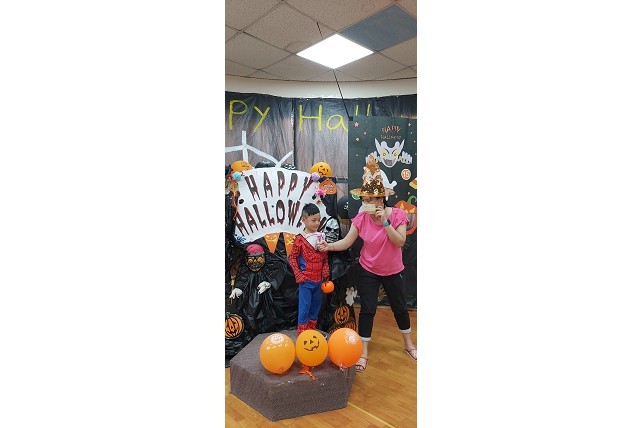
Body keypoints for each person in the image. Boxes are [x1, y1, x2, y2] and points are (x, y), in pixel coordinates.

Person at [318, 158, 417, 372]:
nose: (367, 203)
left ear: (381, 199)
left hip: (393, 271)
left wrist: (385, 223)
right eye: (365, 199)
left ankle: (409, 345)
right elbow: (347, 242)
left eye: (371, 199)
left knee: (400, 308)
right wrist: (329, 246)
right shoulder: (362, 218)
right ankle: (363, 353)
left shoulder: (398, 215)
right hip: (369, 270)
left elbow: (400, 242)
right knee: (367, 309)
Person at [289, 203, 330, 334]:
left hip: (319, 280)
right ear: (304, 220)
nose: (317, 223)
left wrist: (325, 268)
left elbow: (325, 257)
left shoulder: (321, 236)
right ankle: (302, 332)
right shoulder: (300, 239)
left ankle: (311, 330)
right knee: (305, 307)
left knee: (316, 306)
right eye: (313, 220)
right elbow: (292, 258)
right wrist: (298, 274)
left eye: (319, 220)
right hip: (306, 281)